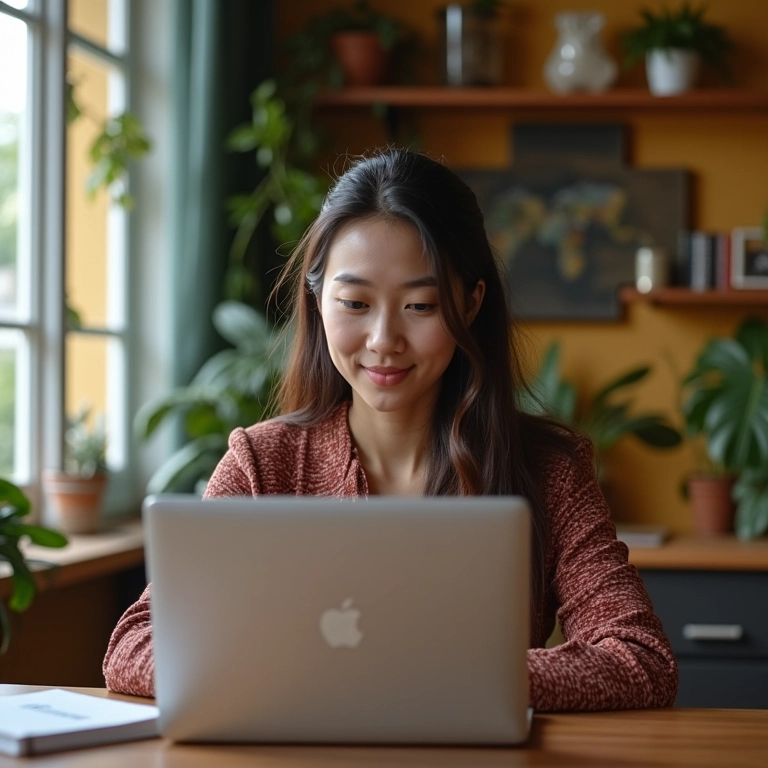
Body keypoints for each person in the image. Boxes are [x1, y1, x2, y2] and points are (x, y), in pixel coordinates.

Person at [104, 148, 677, 710]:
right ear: (318, 297)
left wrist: (437, 676)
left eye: (420, 306)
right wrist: (310, 673)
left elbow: (639, 657)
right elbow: (134, 646)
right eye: (354, 302)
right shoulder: (263, 464)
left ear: (471, 303)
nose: (383, 340)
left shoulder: (549, 469)